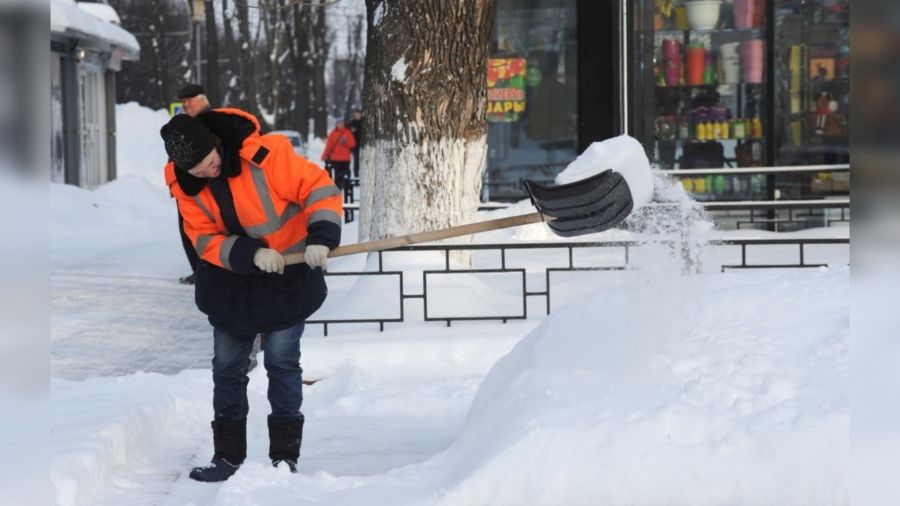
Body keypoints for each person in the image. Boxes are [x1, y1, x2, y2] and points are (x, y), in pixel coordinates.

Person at [160, 107, 342, 482]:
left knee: (282, 363)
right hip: (231, 287)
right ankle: (227, 457)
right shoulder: (185, 188)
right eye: (198, 170)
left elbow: (318, 188)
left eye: (211, 161)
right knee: (227, 368)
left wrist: (321, 238)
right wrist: (250, 253)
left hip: (287, 279)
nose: (208, 172)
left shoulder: (265, 156)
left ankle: (284, 459)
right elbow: (203, 238)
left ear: (216, 145)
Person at [170, 84, 213, 285]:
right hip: (185, 187)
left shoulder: (210, 121)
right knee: (187, 229)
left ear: (202, 99)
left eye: (190, 100)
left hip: (201, 187)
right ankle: (198, 270)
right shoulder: (187, 122)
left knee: (199, 230)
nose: (186, 104)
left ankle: (205, 271)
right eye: (183, 101)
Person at [321, 118, 356, 202]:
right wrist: (324, 155)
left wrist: (346, 141)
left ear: (344, 124)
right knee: (337, 175)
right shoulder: (333, 133)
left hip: (345, 159)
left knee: (347, 174)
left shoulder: (347, 133)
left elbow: (353, 145)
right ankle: (337, 192)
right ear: (336, 124)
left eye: (341, 123)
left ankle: (347, 189)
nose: (340, 125)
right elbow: (329, 146)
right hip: (336, 159)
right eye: (338, 123)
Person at [347, 107, 364, 178]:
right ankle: (356, 174)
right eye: (356, 115)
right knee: (356, 160)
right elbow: (348, 134)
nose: (357, 116)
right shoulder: (351, 123)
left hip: (364, 145)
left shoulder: (364, 122)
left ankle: (363, 173)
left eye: (358, 114)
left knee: (364, 160)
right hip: (355, 145)